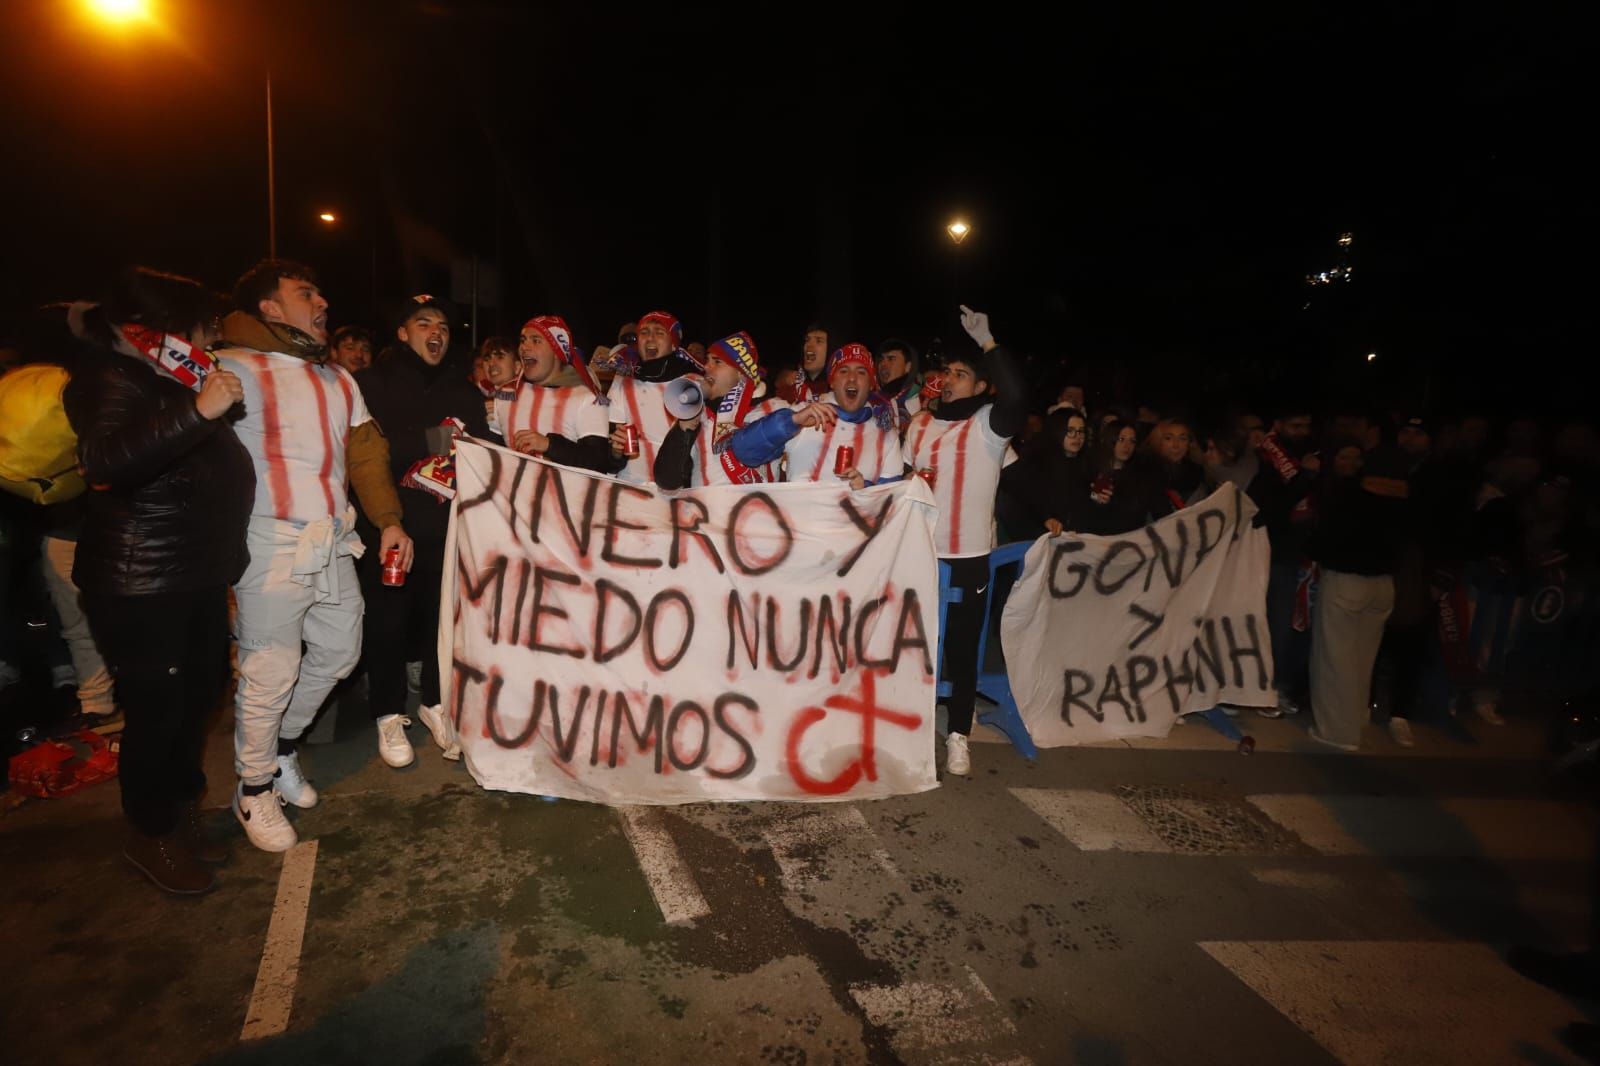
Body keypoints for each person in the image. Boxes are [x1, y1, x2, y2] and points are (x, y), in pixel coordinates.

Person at [62, 267, 255, 893]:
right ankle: (151, 832)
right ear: (164, 325)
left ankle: (181, 807)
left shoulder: (163, 375)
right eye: (201, 325)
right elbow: (106, 460)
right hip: (140, 582)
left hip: (189, 574)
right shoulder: (108, 377)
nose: (208, 337)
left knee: (199, 695)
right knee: (157, 711)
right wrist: (200, 410)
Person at [215, 259, 413, 853]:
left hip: (331, 536)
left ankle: (278, 752)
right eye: (306, 292)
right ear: (270, 307)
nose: (322, 299)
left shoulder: (336, 379)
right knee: (270, 668)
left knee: (339, 651)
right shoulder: (231, 368)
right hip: (266, 539)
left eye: (320, 289)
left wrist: (390, 522)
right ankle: (252, 789)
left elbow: (366, 458)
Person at [354, 294, 491, 768]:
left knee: (441, 620)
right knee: (388, 621)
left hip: (447, 526)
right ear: (402, 332)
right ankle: (388, 713)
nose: (436, 333)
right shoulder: (368, 384)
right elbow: (369, 452)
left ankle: (436, 702)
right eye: (424, 323)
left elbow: (481, 449)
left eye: (445, 327)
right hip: (391, 528)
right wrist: (436, 438)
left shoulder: (464, 388)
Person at [903, 306, 1025, 777]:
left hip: (969, 556)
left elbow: (1016, 394)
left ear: (979, 386)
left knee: (961, 646)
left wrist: (989, 345)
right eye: (946, 372)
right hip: (919, 553)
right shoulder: (919, 425)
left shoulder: (989, 427)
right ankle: (910, 725)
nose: (949, 380)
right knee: (914, 644)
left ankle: (958, 734)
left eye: (961, 374)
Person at [1305, 445, 1409, 751]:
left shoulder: (1350, 496)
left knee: (1336, 660)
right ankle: (1356, 718)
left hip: (1347, 580)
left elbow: (1325, 539)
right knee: (1364, 658)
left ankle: (1337, 732)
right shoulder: (1404, 501)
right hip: (1384, 584)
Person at [729, 343, 904, 487]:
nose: (852, 378)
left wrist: (864, 488)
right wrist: (793, 421)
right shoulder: (804, 414)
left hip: (855, 528)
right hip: (800, 528)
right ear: (832, 382)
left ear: (871, 384)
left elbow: (892, 501)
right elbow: (744, 452)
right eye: (843, 371)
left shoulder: (886, 434)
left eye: (861, 372)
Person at [1247, 405, 1320, 718]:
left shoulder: (1316, 459)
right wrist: (1303, 478)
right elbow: (1268, 510)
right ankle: (1263, 688)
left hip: (1304, 557)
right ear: (1278, 425)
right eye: (1295, 424)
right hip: (1272, 557)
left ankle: (1281, 687)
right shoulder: (1265, 463)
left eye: (1306, 425)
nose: (1301, 431)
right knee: (1273, 626)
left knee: (1293, 629)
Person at [653, 332, 786, 488]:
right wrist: (684, 427)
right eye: (708, 360)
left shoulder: (773, 409)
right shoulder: (699, 413)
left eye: (717, 362)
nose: (706, 366)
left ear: (740, 372)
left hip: (755, 509)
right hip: (705, 511)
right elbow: (667, 481)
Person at [504, 315, 620, 474]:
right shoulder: (506, 394)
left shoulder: (587, 399)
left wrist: (548, 445)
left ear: (556, 351)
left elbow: (597, 461)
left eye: (536, 340)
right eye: (523, 340)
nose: (525, 347)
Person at [604, 310, 704, 484]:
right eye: (644, 332)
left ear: (673, 344)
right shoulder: (623, 381)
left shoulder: (691, 384)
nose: (650, 338)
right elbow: (612, 449)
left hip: (676, 491)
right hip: (629, 487)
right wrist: (615, 451)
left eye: (659, 332)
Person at [998, 407, 1091, 539]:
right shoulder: (1037, 460)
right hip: (1036, 539)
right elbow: (1024, 500)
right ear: (1057, 430)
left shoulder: (1083, 464)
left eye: (1081, 431)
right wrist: (1045, 518)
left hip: (1070, 541)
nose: (1077, 437)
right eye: (1070, 431)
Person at [1079, 419, 1162, 535]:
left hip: (1133, 541)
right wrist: (1095, 501)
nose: (1127, 446)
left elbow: (1160, 511)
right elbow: (1082, 513)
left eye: (1132, 441)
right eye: (1121, 439)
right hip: (1099, 541)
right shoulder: (1090, 471)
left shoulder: (1143, 475)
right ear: (1109, 440)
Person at [875, 338, 924, 438]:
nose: (883, 364)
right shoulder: (872, 400)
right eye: (881, 359)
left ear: (908, 367)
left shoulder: (924, 402)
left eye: (891, 359)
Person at [476, 335, 519, 439]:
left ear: (517, 367)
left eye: (500, 357)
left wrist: (496, 404)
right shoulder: (480, 394)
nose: (491, 363)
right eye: (487, 358)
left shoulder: (529, 396)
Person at [793, 322, 831, 403]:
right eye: (807, 340)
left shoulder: (839, 392)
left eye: (819, 341)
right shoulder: (790, 386)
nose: (809, 345)